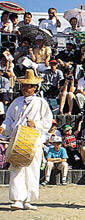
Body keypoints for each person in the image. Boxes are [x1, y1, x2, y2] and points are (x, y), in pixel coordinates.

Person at [0, 70, 53, 210]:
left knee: (32, 169)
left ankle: (29, 199)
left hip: (33, 140)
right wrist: (4, 127)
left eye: (28, 86)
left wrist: (36, 124)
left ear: (35, 88)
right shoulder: (16, 102)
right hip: (17, 140)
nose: (25, 89)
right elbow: (9, 119)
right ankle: (17, 198)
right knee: (17, 168)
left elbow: (48, 121)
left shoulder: (41, 103)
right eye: (24, 86)